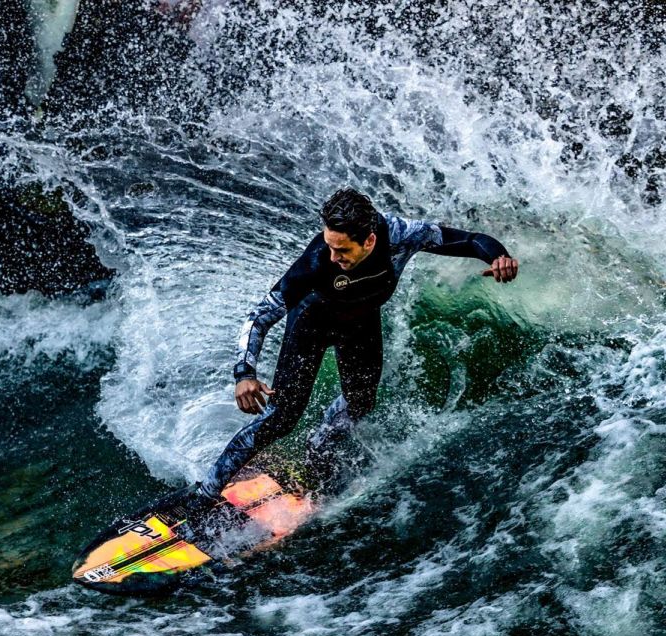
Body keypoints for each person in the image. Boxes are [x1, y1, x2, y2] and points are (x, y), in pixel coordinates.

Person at [189, 187, 519, 512]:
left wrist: (498, 256)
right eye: (330, 246)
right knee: (281, 417)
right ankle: (206, 494)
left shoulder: (400, 235)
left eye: (343, 250)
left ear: (370, 241)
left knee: (360, 403)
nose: (334, 257)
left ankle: (317, 453)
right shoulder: (317, 260)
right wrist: (245, 374)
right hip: (310, 326)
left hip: (359, 325)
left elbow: (470, 239)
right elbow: (260, 316)